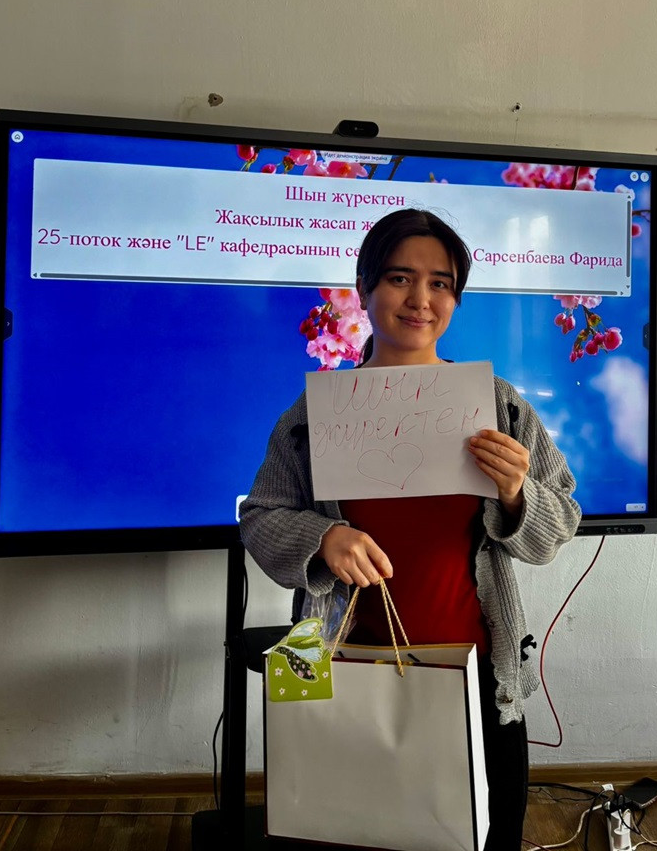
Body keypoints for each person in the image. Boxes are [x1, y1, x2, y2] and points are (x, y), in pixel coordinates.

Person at [239, 208, 581, 851]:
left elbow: (561, 520)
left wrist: (517, 493)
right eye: (399, 278)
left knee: (482, 835)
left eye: (440, 283)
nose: (420, 299)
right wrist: (323, 540)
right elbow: (261, 515)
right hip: (340, 673)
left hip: (478, 679)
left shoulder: (499, 406)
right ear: (364, 288)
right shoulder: (316, 413)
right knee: (343, 833)